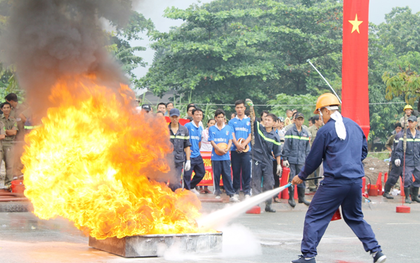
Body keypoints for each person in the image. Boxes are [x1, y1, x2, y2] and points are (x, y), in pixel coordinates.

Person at [290, 93, 386, 263]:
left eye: (320, 113)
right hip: (355, 182)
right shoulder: (355, 126)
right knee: (355, 217)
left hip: (335, 183)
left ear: (327, 111)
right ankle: (376, 252)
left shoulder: (325, 131)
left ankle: (308, 256)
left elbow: (314, 159)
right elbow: (363, 152)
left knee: (314, 216)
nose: (320, 117)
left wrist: (301, 176)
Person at [247, 101, 282, 212]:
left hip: (267, 161)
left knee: (269, 183)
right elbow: (253, 118)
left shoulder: (275, 136)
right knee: (256, 181)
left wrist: (278, 165)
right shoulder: (258, 129)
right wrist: (252, 107)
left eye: (269, 120)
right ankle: (256, 204)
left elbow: (277, 152)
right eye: (265, 119)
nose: (266, 122)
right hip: (256, 158)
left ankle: (268, 204)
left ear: (274, 123)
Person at [209, 109, 238, 202]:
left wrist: (227, 149)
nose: (220, 119)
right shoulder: (212, 128)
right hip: (215, 156)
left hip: (225, 156)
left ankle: (230, 193)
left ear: (224, 118)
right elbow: (212, 141)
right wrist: (218, 149)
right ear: (215, 118)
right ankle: (217, 191)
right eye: (218, 117)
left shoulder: (228, 128)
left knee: (227, 174)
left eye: (222, 117)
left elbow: (230, 140)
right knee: (217, 174)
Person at [283, 112, 311, 207]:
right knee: (291, 179)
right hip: (291, 159)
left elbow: (307, 148)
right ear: (294, 120)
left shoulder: (305, 133)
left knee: (302, 178)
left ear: (303, 120)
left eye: (301, 119)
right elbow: (286, 146)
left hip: (302, 160)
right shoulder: (290, 131)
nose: (299, 121)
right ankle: (291, 198)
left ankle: (301, 197)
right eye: (298, 119)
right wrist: (285, 158)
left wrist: (308, 159)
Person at [394, 115, 420, 203]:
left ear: (416, 123)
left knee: (418, 178)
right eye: (409, 122)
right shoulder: (404, 135)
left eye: (412, 122)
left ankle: (415, 196)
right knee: (407, 179)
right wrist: (397, 158)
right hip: (408, 160)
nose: (410, 123)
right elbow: (399, 148)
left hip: (417, 160)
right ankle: (407, 197)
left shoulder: (419, 135)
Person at [228, 100, 252, 198]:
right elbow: (231, 134)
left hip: (246, 151)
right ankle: (236, 191)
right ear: (235, 108)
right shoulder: (232, 121)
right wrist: (237, 145)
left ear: (244, 108)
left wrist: (243, 145)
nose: (239, 109)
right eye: (237, 107)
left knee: (246, 171)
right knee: (236, 171)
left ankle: (247, 191)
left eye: (241, 107)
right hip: (235, 150)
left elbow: (250, 135)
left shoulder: (249, 121)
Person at [168, 108, 191, 191]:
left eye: (176, 117)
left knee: (176, 182)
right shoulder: (165, 130)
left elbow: (187, 145)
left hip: (178, 161)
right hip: (167, 161)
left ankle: (176, 200)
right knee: (164, 182)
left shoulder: (184, 130)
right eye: (172, 117)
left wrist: (188, 160)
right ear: (169, 117)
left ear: (179, 117)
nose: (174, 119)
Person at [184, 108, 206, 194]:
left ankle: (192, 186)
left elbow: (199, 141)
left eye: (200, 114)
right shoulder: (188, 126)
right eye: (196, 114)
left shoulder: (200, 128)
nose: (198, 116)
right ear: (192, 116)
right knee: (187, 175)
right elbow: (184, 140)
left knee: (201, 173)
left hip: (197, 155)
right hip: (189, 155)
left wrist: (197, 150)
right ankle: (187, 190)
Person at [382, 122, 403, 199]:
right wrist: (391, 151)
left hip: (406, 159)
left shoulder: (409, 136)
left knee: (407, 177)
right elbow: (390, 146)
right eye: (397, 128)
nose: (398, 129)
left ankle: (409, 194)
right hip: (396, 157)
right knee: (393, 175)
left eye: (400, 128)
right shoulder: (395, 137)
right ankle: (387, 191)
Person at [1, 102, 17, 190]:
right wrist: (8, 132)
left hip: (9, 145)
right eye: (4, 108)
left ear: (10, 109)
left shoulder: (13, 120)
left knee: (10, 166)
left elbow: (14, 132)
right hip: (0, 144)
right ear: (1, 109)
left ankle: (8, 185)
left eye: (8, 107)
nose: (6, 109)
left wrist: (4, 131)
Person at [306, 115, 322, 192]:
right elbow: (309, 142)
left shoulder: (321, 130)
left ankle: (317, 184)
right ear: (316, 121)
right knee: (311, 170)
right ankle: (311, 186)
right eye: (320, 120)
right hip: (312, 152)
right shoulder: (310, 130)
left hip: (319, 153)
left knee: (318, 170)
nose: (321, 121)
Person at [199, 118, 215, 194]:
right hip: (203, 152)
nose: (212, 125)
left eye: (213, 123)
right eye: (211, 123)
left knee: (209, 170)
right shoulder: (203, 132)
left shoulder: (215, 132)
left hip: (211, 152)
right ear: (208, 124)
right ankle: (200, 187)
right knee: (202, 169)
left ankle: (206, 187)